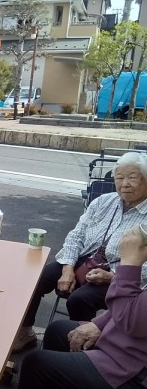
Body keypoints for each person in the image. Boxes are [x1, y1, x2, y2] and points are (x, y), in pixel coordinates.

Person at [0, 226, 147, 389]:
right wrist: (99, 324)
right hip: (128, 342)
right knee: (57, 330)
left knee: (37, 365)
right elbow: (137, 305)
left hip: (135, 369)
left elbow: (132, 321)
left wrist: (129, 264)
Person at [12, 151, 147, 352]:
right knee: (37, 278)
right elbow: (76, 235)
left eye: (132, 177)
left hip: (121, 274)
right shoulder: (103, 202)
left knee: (79, 299)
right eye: (119, 178)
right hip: (85, 260)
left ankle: (81, 348)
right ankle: (26, 331)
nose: (125, 184)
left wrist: (113, 277)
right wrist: (67, 268)